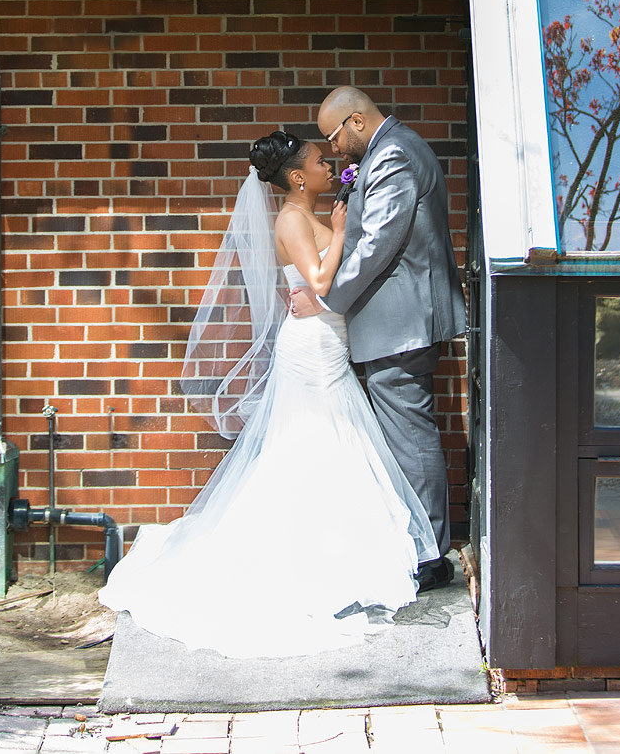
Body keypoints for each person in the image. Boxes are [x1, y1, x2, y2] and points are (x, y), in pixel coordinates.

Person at [98, 130, 440, 659]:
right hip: (312, 351)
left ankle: (334, 547)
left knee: (334, 445)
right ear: (298, 177)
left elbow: (322, 286)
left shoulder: (307, 215)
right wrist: (346, 229)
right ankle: (301, 551)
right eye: (321, 163)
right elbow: (322, 281)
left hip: (328, 340)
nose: (331, 168)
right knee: (313, 444)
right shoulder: (291, 219)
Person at [290, 88, 466, 593]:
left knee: (410, 437)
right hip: (397, 321)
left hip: (401, 322)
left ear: (356, 121)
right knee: (404, 436)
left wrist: (325, 302)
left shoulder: (393, 155)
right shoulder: (393, 150)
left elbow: (377, 244)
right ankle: (419, 545)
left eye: (334, 136)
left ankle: (431, 556)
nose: (335, 148)